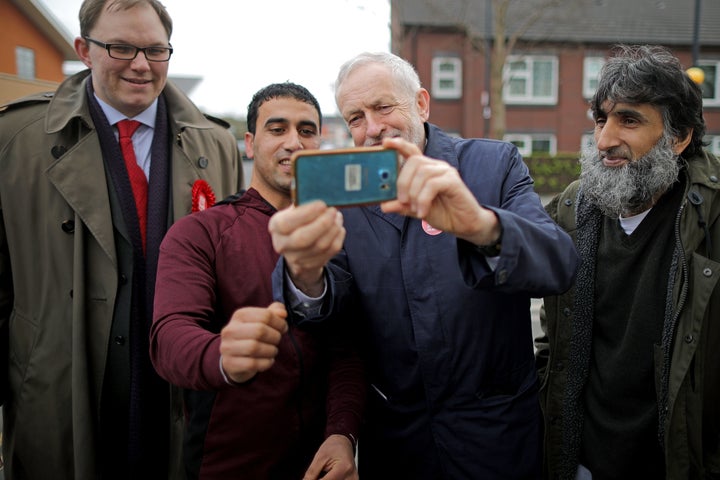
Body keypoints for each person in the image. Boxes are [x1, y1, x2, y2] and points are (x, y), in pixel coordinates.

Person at [268, 51, 579, 479]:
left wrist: (482, 227)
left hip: (497, 441)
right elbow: (333, 321)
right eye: (355, 117)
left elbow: (559, 264)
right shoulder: (346, 199)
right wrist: (304, 273)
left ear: (421, 104)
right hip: (398, 446)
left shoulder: (493, 165)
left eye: (383, 107)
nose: (372, 129)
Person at [0, 0, 242, 478]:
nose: (140, 64)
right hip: (59, 392)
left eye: (155, 50)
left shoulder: (215, 144)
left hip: (181, 395)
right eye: (121, 47)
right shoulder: (14, 141)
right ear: (83, 51)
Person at [150, 82, 365, 480]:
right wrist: (220, 355)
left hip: (320, 465)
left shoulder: (338, 231)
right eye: (277, 129)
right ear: (249, 143)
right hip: (228, 462)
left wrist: (342, 433)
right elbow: (169, 336)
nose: (293, 142)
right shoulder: (201, 233)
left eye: (306, 130)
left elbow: (346, 350)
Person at [535, 44, 720, 479]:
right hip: (581, 463)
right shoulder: (570, 209)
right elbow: (553, 342)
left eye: (629, 119)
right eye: (601, 119)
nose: (604, 140)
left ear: (679, 137)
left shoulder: (712, 217)